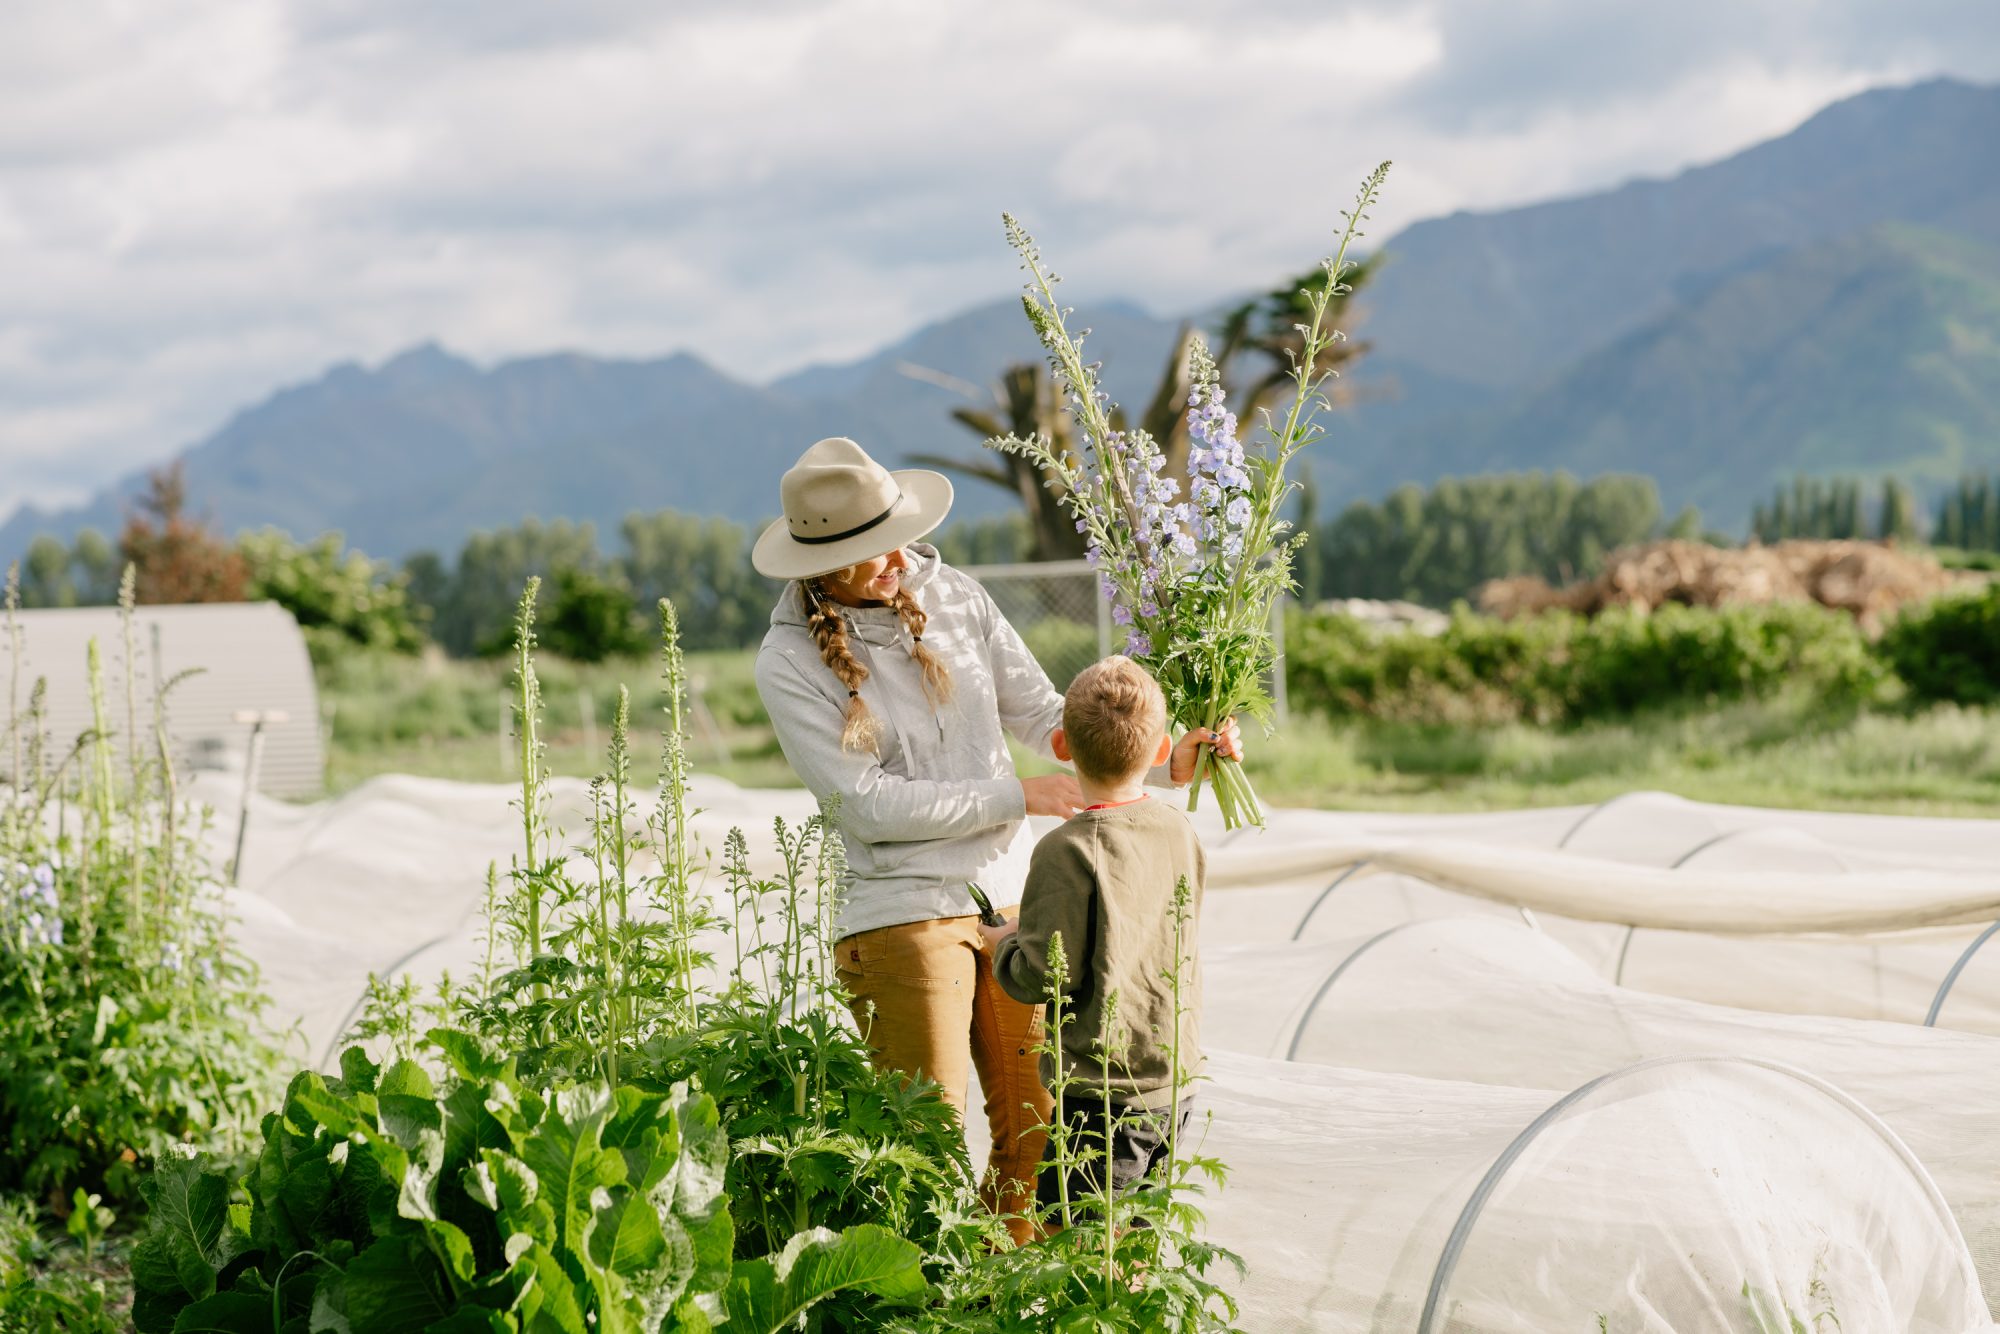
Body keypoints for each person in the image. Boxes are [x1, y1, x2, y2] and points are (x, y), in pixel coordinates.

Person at [751, 437, 1239, 1242]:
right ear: (820, 563)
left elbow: (1051, 721)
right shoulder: (789, 660)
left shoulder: (959, 599)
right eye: (870, 554)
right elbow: (866, 807)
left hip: (1011, 900)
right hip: (902, 913)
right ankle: (933, 1307)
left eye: (896, 537)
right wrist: (1017, 794)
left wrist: (1160, 758)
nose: (897, 560)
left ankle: (1004, 1307)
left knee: (1041, 1140)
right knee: (924, 1154)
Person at [983, 655, 1204, 1216]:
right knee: (1140, 1233)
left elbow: (1044, 974)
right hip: (1171, 1077)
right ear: (1160, 752)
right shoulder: (1178, 827)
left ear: (1060, 746)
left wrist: (1005, 943)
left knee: (1076, 1238)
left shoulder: (1065, 849)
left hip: (1102, 1091)